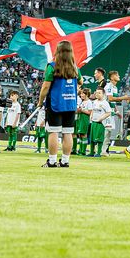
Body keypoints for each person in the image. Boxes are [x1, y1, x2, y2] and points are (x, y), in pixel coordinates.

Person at [37, 40, 80, 168]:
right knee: (68, 132)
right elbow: (81, 81)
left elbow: (45, 87)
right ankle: (65, 161)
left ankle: (51, 161)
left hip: (56, 103)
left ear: (58, 52)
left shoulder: (52, 66)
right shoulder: (75, 67)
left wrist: (40, 102)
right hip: (70, 104)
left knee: (53, 132)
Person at [88, 89, 111, 157]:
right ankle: (91, 152)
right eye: (96, 93)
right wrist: (91, 116)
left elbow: (109, 112)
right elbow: (92, 110)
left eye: (99, 93)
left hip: (100, 123)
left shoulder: (105, 103)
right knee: (92, 138)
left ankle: (99, 152)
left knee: (99, 138)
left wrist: (101, 118)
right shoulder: (94, 102)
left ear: (103, 94)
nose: (97, 94)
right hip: (93, 122)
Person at [74, 88, 92, 156]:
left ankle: (83, 151)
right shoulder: (82, 102)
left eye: (82, 94)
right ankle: (80, 150)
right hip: (80, 119)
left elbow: (90, 112)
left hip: (85, 120)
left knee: (84, 134)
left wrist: (81, 110)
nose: (81, 95)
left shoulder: (89, 102)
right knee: (80, 134)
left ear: (86, 94)